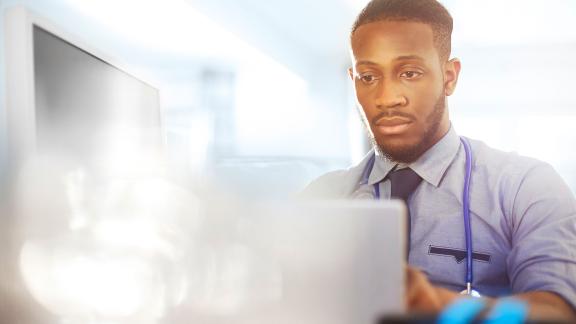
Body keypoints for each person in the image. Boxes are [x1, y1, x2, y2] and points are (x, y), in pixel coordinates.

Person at [302, 0, 576, 320]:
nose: (388, 97)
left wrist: (444, 305)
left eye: (409, 73)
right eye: (368, 76)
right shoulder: (321, 197)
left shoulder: (525, 186)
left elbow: (559, 314)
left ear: (449, 77)